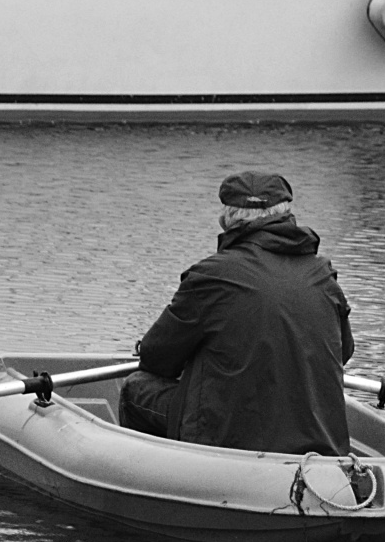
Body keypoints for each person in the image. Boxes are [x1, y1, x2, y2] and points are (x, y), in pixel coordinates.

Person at [120, 171, 354, 454]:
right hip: (314, 441)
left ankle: (157, 481)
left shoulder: (211, 276)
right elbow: (344, 352)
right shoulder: (323, 275)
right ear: (287, 215)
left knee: (135, 389)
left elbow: (157, 359)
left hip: (227, 438)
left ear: (227, 219)